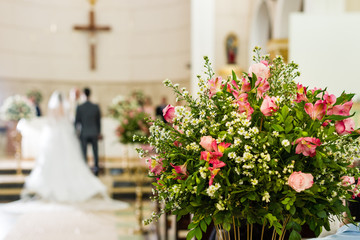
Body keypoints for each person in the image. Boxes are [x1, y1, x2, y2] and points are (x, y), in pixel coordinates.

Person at [22, 91, 107, 202]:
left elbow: (52, 121)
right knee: (71, 157)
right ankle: (94, 170)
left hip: (55, 135)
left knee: (55, 158)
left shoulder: (54, 108)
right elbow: (71, 121)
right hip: (66, 134)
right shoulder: (68, 107)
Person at [75, 87, 102, 176]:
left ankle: (85, 170)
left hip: (84, 133)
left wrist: (77, 133)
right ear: (90, 94)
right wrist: (99, 132)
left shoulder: (80, 107)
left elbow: (77, 122)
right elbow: (98, 122)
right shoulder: (95, 106)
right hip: (94, 132)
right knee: (95, 152)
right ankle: (96, 169)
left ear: (83, 94)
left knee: (84, 153)